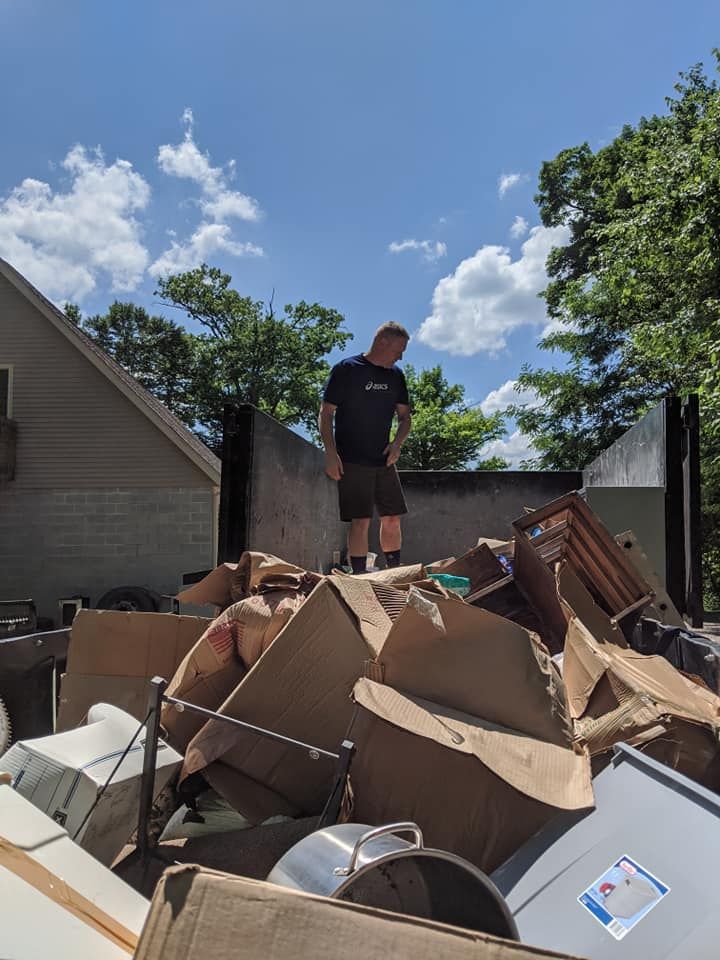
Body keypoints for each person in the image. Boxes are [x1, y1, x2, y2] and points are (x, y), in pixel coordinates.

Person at [318, 322, 412, 574]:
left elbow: (405, 418)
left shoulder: (396, 376)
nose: (401, 356)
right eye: (399, 349)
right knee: (361, 520)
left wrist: (397, 444)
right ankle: (359, 577)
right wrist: (330, 452)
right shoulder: (347, 369)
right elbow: (326, 413)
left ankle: (394, 573)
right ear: (383, 342)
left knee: (392, 518)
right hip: (352, 459)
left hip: (383, 459)